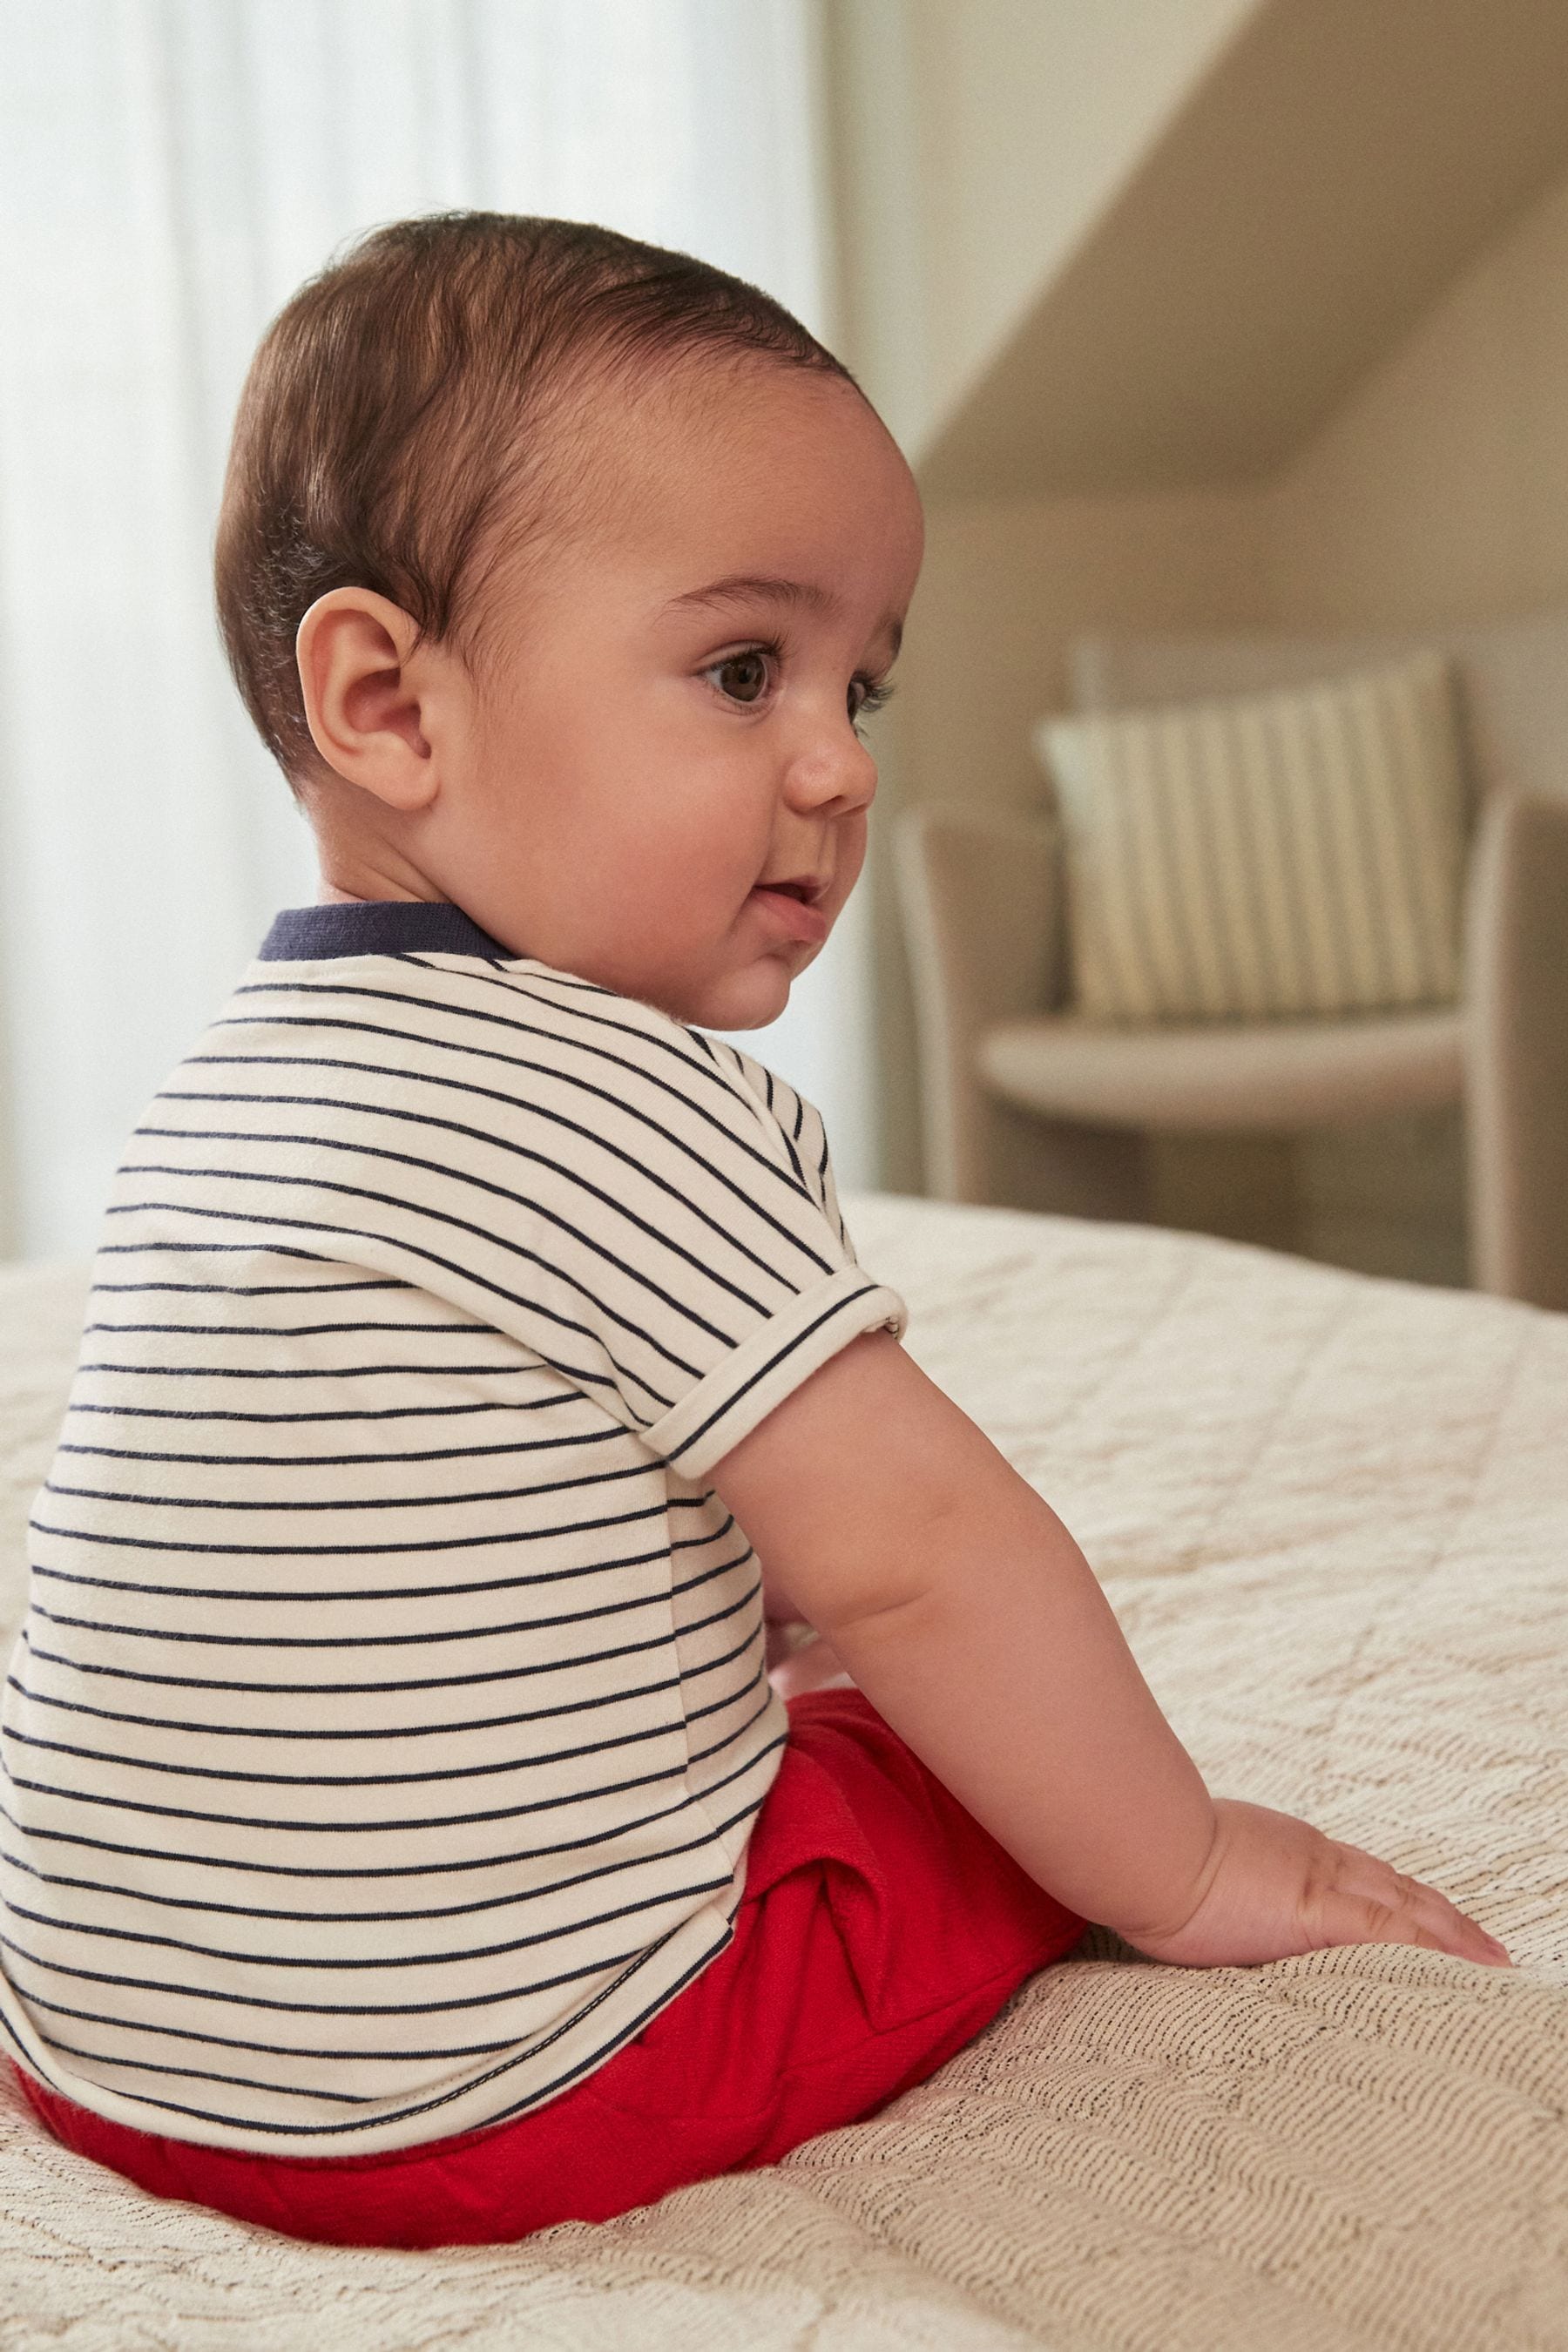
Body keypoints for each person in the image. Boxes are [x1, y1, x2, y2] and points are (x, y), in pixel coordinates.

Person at [0, 213, 1510, 2250]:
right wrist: (1186, 1861)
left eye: (861, 682)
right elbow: (921, 1558)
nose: (845, 763)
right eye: (742, 671)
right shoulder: (632, 1096)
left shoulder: (214, 1094)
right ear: (384, 701)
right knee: (943, 1767)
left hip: (102, 2047)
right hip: (489, 2094)